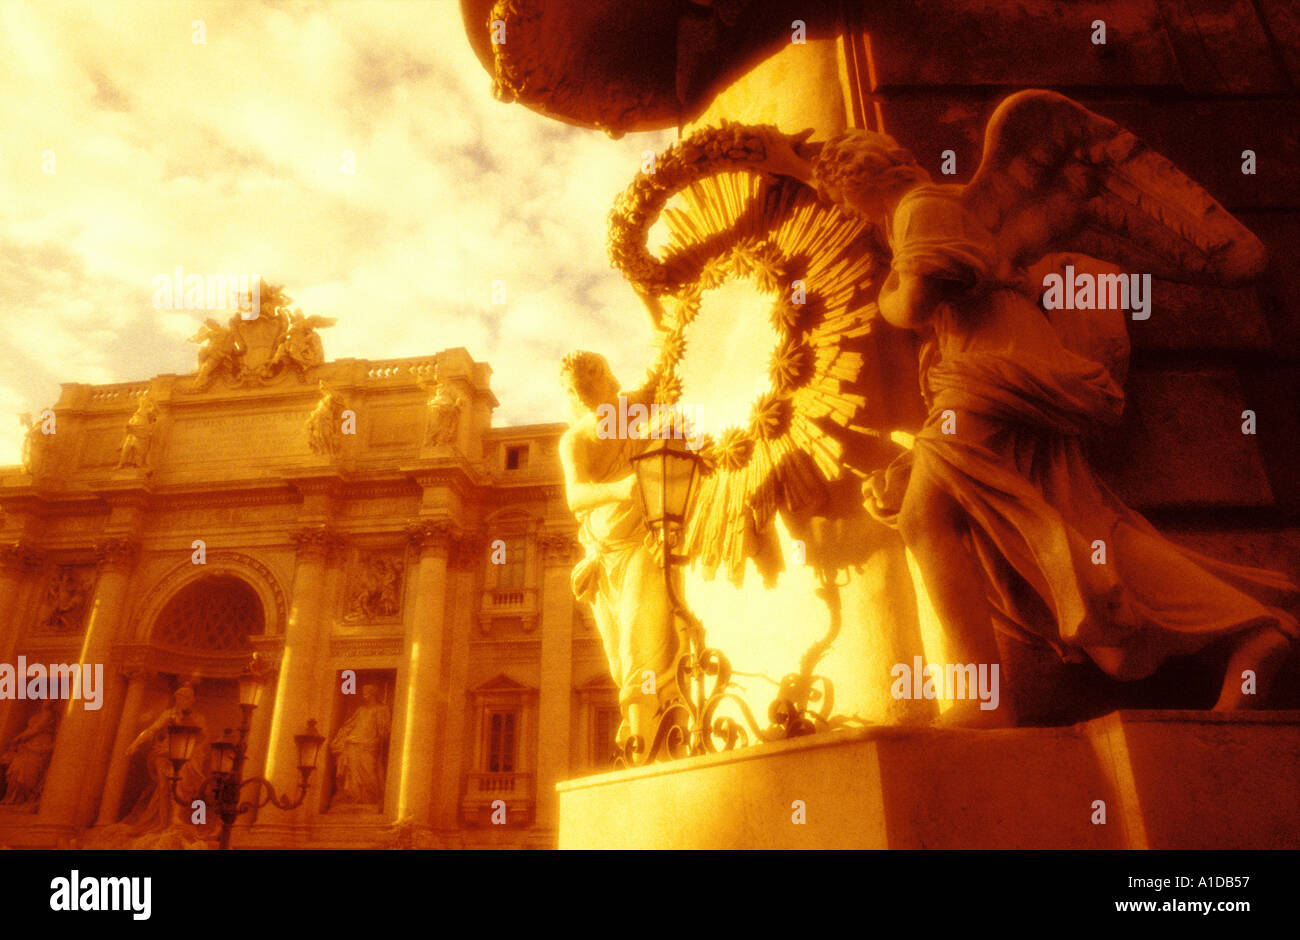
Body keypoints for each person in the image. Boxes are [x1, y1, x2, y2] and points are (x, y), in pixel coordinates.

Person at [758, 123, 1297, 724]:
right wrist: (797, 165)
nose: (846, 213)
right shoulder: (930, 208)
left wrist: (886, 294)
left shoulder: (922, 208)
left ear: (859, 187)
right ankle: (1247, 628)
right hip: (992, 367)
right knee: (1077, 519)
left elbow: (912, 304)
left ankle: (978, 701)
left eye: (842, 197)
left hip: (995, 372)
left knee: (924, 515)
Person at [559, 351, 686, 747]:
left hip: (641, 540)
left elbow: (663, 369)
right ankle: (641, 723)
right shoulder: (575, 438)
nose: (590, 388)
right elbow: (575, 495)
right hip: (603, 551)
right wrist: (619, 487)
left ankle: (641, 733)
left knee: (637, 636)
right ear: (575, 394)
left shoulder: (628, 408)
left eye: (595, 377)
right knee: (616, 656)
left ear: (608, 379)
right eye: (580, 385)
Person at [330, 684, 390, 807]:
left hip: (370, 744)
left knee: (368, 770)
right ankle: (353, 796)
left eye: (367, 692)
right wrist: (342, 736)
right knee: (352, 771)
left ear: (373, 694)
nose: (364, 695)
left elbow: (385, 730)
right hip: (353, 741)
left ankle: (371, 798)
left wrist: (380, 736)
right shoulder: (361, 710)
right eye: (363, 692)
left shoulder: (382, 709)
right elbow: (350, 724)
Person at [0, 702, 57, 807]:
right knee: (16, 769)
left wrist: (20, 738)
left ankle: (20, 799)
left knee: (27, 772)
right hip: (28, 746)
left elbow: (37, 729)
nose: (47, 700)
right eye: (47, 698)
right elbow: (30, 729)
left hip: (40, 745)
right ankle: (11, 797)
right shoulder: (38, 714)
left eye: (51, 698)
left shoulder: (48, 715)